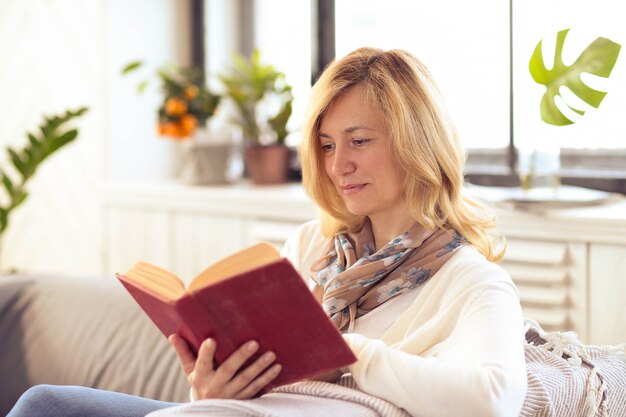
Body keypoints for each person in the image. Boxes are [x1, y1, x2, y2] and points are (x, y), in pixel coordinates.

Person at [7, 47, 527, 417]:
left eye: (359, 141)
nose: (338, 164)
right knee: (44, 404)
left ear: (418, 143)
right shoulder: (314, 247)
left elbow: (493, 400)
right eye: (325, 146)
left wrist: (346, 354)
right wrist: (209, 388)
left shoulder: (470, 280)